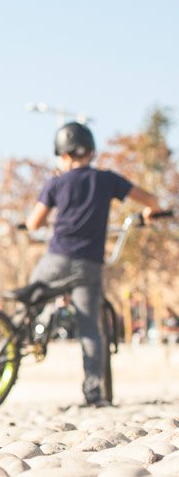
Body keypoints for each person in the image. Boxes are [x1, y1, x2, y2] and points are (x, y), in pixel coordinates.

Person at [25, 122, 164, 406]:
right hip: (88, 263)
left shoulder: (56, 182)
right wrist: (150, 214)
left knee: (28, 297)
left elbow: (33, 223)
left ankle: (27, 335)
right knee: (90, 328)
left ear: (62, 155)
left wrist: (30, 224)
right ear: (91, 151)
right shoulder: (107, 179)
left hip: (57, 257)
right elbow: (150, 200)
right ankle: (94, 393)